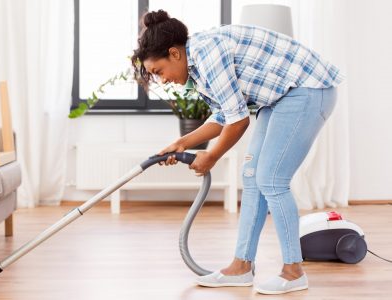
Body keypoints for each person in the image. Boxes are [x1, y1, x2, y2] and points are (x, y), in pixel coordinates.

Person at [131, 10, 343, 295]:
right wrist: (183, 142)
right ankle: (241, 267)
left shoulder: (207, 54)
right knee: (253, 175)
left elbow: (239, 121)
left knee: (271, 179)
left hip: (307, 89)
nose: (162, 80)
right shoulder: (198, 67)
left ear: (174, 54)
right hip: (280, 98)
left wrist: (212, 156)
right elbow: (224, 114)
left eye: (159, 71)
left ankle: (294, 271)